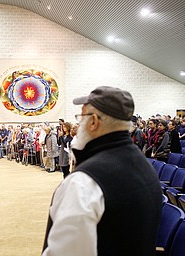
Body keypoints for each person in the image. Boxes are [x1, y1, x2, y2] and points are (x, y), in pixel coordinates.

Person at [42, 86, 162, 256]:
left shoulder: (83, 183)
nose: (78, 124)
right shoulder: (144, 164)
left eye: (81, 118)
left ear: (93, 122)